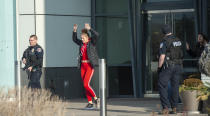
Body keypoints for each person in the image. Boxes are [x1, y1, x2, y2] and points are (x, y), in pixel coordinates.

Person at [157, 24, 183, 114]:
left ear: (163, 32)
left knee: (161, 85)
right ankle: (175, 107)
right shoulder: (178, 40)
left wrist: (159, 68)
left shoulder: (164, 41)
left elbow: (162, 56)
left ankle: (165, 108)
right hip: (178, 66)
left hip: (168, 66)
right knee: (175, 87)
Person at [72, 23, 99, 109]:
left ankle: (96, 98)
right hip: (83, 65)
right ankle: (90, 103)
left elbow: (97, 35)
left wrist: (90, 29)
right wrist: (74, 30)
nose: (82, 39)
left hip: (89, 65)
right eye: (82, 38)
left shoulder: (92, 43)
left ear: (87, 37)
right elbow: (74, 39)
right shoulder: (81, 44)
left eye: (83, 38)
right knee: (85, 85)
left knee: (86, 84)